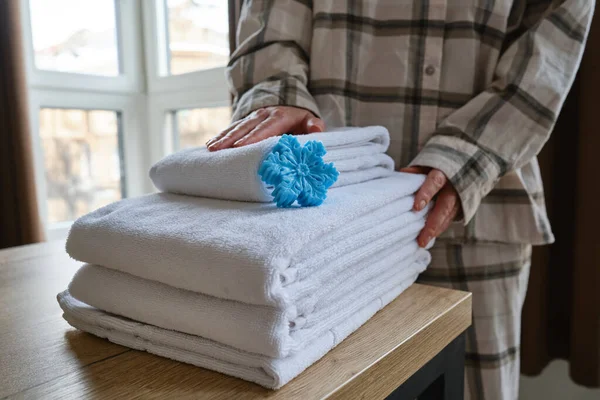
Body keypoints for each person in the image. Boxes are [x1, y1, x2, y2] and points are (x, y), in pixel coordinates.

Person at [207, 1, 594, 398]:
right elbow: (271, 29)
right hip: (321, 222)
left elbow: (548, 48)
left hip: (473, 215)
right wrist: (279, 95)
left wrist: (466, 157)